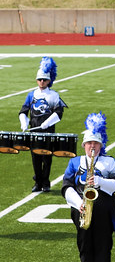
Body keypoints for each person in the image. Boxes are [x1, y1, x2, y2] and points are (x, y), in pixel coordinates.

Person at [61, 113, 115, 262]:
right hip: (82, 208)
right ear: (84, 145)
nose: (92, 146)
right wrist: (78, 203)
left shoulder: (109, 162)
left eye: (95, 143)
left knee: (103, 245)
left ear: (100, 145)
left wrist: (100, 182)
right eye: (89, 143)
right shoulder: (75, 162)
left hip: (104, 209)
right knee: (84, 244)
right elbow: (66, 187)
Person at [19, 57, 66, 192]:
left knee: (47, 157)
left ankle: (45, 182)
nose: (41, 82)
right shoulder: (31, 95)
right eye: (39, 79)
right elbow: (23, 111)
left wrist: (47, 123)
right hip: (34, 132)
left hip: (48, 131)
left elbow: (59, 113)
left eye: (44, 80)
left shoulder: (54, 95)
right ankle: (38, 182)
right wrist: (24, 122)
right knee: (35, 157)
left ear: (49, 80)